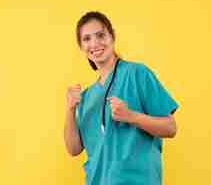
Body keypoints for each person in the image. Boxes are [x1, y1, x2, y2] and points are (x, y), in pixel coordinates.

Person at [64, 11, 179, 185]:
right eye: (87, 39)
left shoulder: (138, 74)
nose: (94, 43)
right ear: (81, 46)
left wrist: (131, 116)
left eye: (100, 35)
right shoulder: (86, 97)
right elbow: (73, 149)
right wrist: (70, 109)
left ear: (113, 36)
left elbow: (170, 128)